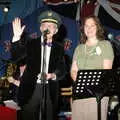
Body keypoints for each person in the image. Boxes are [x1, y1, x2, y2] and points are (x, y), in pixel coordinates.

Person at [11, 10, 66, 120]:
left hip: (50, 90)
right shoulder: (31, 43)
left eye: (51, 26)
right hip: (31, 89)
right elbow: (18, 58)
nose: (47, 28)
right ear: (41, 28)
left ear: (56, 30)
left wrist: (53, 75)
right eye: (45, 25)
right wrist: (16, 39)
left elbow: (62, 69)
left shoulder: (59, 48)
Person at [70, 15, 114, 120]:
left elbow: (106, 71)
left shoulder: (105, 45)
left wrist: (90, 86)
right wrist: (83, 84)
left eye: (92, 26)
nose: (89, 28)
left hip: (97, 94)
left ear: (98, 27)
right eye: (86, 26)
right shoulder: (79, 48)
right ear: (83, 28)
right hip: (79, 93)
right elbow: (73, 70)